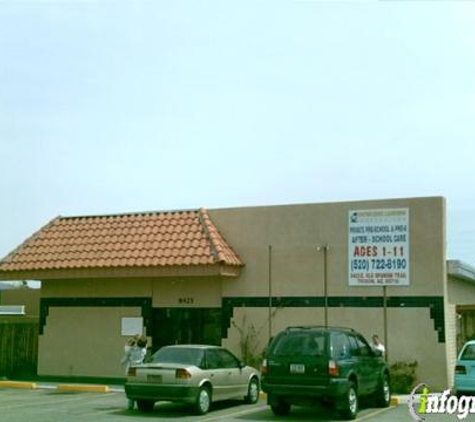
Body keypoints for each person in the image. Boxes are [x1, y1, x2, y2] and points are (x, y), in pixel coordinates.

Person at [122, 335, 147, 410]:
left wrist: (129, 343)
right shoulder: (143, 350)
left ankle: (130, 404)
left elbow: (126, 351)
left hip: (132, 368)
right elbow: (144, 345)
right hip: (140, 368)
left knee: (131, 386)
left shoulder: (132, 349)